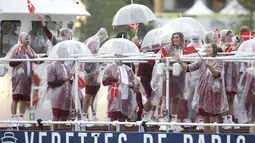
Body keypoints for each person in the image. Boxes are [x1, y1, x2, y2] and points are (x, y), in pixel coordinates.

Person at [173, 43, 228, 133]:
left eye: (209, 46)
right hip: (202, 91)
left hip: (214, 92)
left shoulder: (218, 60)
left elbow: (217, 74)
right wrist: (180, 61)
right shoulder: (202, 59)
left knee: (213, 118)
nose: (207, 48)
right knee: (205, 118)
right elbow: (188, 68)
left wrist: (209, 66)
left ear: (214, 49)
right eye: (206, 47)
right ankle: (207, 138)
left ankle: (215, 137)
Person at [6, 32, 38, 126]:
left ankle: (21, 117)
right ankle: (13, 118)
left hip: (27, 78)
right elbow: (11, 62)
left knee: (24, 98)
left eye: (29, 39)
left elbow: (36, 59)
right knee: (16, 97)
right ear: (21, 39)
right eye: (26, 39)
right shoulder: (17, 49)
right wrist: (21, 59)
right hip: (18, 77)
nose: (28, 41)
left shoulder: (30, 50)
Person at [102, 54, 137, 124]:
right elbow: (104, 81)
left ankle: (121, 130)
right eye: (117, 55)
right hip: (114, 94)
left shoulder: (127, 68)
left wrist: (129, 84)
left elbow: (133, 81)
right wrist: (113, 80)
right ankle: (111, 132)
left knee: (123, 114)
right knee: (113, 114)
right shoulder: (110, 68)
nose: (119, 57)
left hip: (124, 94)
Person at [82, 28, 108, 121]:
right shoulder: (94, 42)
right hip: (90, 73)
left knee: (93, 95)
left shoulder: (95, 41)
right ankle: (84, 115)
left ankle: (92, 114)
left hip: (94, 73)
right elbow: (92, 57)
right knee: (88, 94)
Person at [47, 47, 73, 129]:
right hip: (57, 95)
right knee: (56, 116)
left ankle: (61, 135)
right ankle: (52, 134)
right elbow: (50, 82)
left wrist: (71, 78)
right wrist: (62, 80)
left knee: (64, 118)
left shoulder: (67, 65)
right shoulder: (53, 65)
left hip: (67, 95)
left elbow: (69, 80)